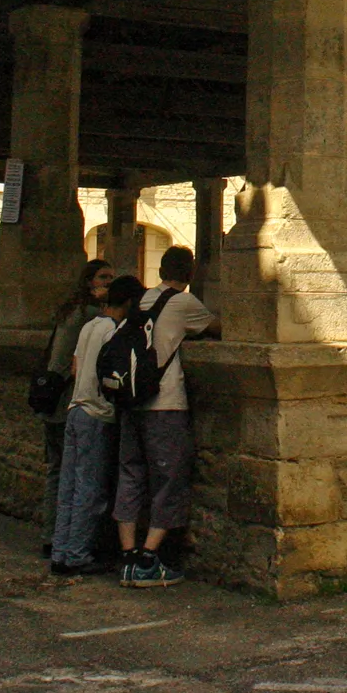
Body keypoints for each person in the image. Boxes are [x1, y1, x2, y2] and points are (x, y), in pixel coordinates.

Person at [114, 245, 219, 587]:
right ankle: (149, 557)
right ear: (190, 273)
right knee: (168, 478)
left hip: (130, 400)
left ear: (160, 270)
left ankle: (127, 555)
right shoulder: (184, 303)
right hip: (164, 402)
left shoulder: (141, 299)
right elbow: (216, 326)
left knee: (131, 474)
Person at [50, 274, 144, 576]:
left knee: (69, 485)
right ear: (129, 302)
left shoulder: (89, 326)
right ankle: (77, 554)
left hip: (75, 407)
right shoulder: (112, 331)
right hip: (96, 413)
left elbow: (76, 367)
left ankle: (60, 549)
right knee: (89, 488)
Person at [43, 259, 113, 543]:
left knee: (57, 472)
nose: (108, 282)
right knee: (76, 476)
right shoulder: (91, 315)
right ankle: (74, 542)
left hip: (51, 400)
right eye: (103, 277)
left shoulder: (72, 309)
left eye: (111, 278)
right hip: (68, 402)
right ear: (89, 282)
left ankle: (53, 537)